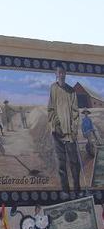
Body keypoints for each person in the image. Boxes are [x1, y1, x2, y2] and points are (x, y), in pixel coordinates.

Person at [47, 64, 81, 192]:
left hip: (69, 134)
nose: (61, 74)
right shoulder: (53, 88)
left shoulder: (71, 91)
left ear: (65, 74)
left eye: (63, 72)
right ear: (56, 74)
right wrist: (56, 125)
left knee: (74, 163)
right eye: (59, 72)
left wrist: (74, 131)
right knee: (61, 164)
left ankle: (77, 190)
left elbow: (75, 113)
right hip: (57, 133)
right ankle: (65, 191)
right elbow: (50, 109)